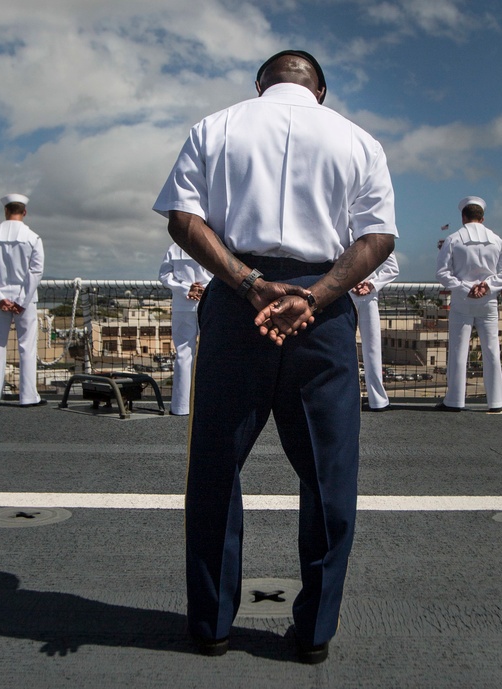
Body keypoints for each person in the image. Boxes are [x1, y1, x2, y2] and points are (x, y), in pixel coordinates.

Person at [153, 49, 397, 663]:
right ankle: (313, 634)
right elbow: (378, 238)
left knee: (215, 468)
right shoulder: (358, 140)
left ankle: (211, 625)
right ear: (319, 89)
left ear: (261, 85)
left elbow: (183, 218)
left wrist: (251, 285)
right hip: (323, 307)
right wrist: (312, 296)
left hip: (239, 304)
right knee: (328, 475)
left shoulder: (216, 127)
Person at [436, 196, 502, 412]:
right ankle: (496, 401)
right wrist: (487, 286)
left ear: (464, 217)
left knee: (458, 350)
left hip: (462, 301)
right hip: (488, 301)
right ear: (482, 218)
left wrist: (465, 287)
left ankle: (454, 401)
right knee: (491, 350)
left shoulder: (453, 239)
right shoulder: (496, 239)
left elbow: (442, 272)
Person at [0, 193, 45, 407]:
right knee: (27, 347)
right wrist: (22, 300)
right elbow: (36, 271)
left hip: (0, 298)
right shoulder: (33, 238)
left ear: (5, 210)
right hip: (25, 300)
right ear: (24, 212)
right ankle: (28, 396)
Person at [158, 243, 213, 415]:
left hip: (183, 304)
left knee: (183, 353)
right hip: (210, 301)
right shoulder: (214, 243)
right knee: (211, 352)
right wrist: (204, 289)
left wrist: (186, 289)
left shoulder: (175, 247)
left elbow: (164, 275)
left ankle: (181, 406)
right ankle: (209, 403)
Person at [350, 252, 399, 411]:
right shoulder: (374, 234)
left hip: (350, 295)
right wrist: (372, 284)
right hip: (364, 296)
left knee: (357, 348)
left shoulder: (340, 230)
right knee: (372, 348)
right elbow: (392, 268)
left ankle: (357, 399)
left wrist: (370, 285)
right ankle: (377, 401)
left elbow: (392, 268)